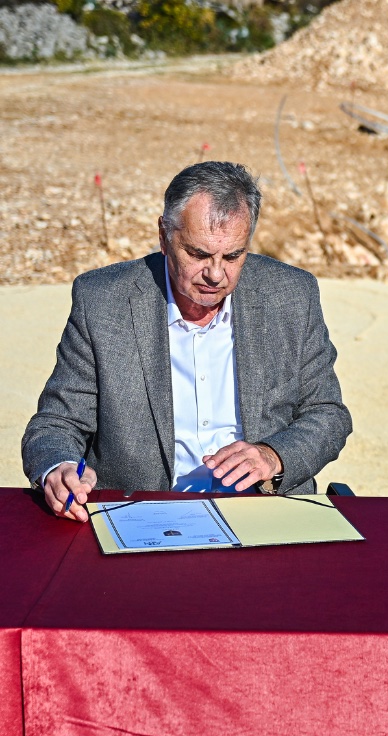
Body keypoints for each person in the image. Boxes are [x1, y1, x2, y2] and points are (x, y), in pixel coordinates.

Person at [22, 161, 352, 522]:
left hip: (266, 513)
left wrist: (273, 456)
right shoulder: (103, 301)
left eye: (233, 255)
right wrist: (59, 466)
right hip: (141, 515)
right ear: (164, 236)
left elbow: (328, 413)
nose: (215, 274)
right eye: (198, 254)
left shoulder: (291, 295)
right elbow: (57, 423)